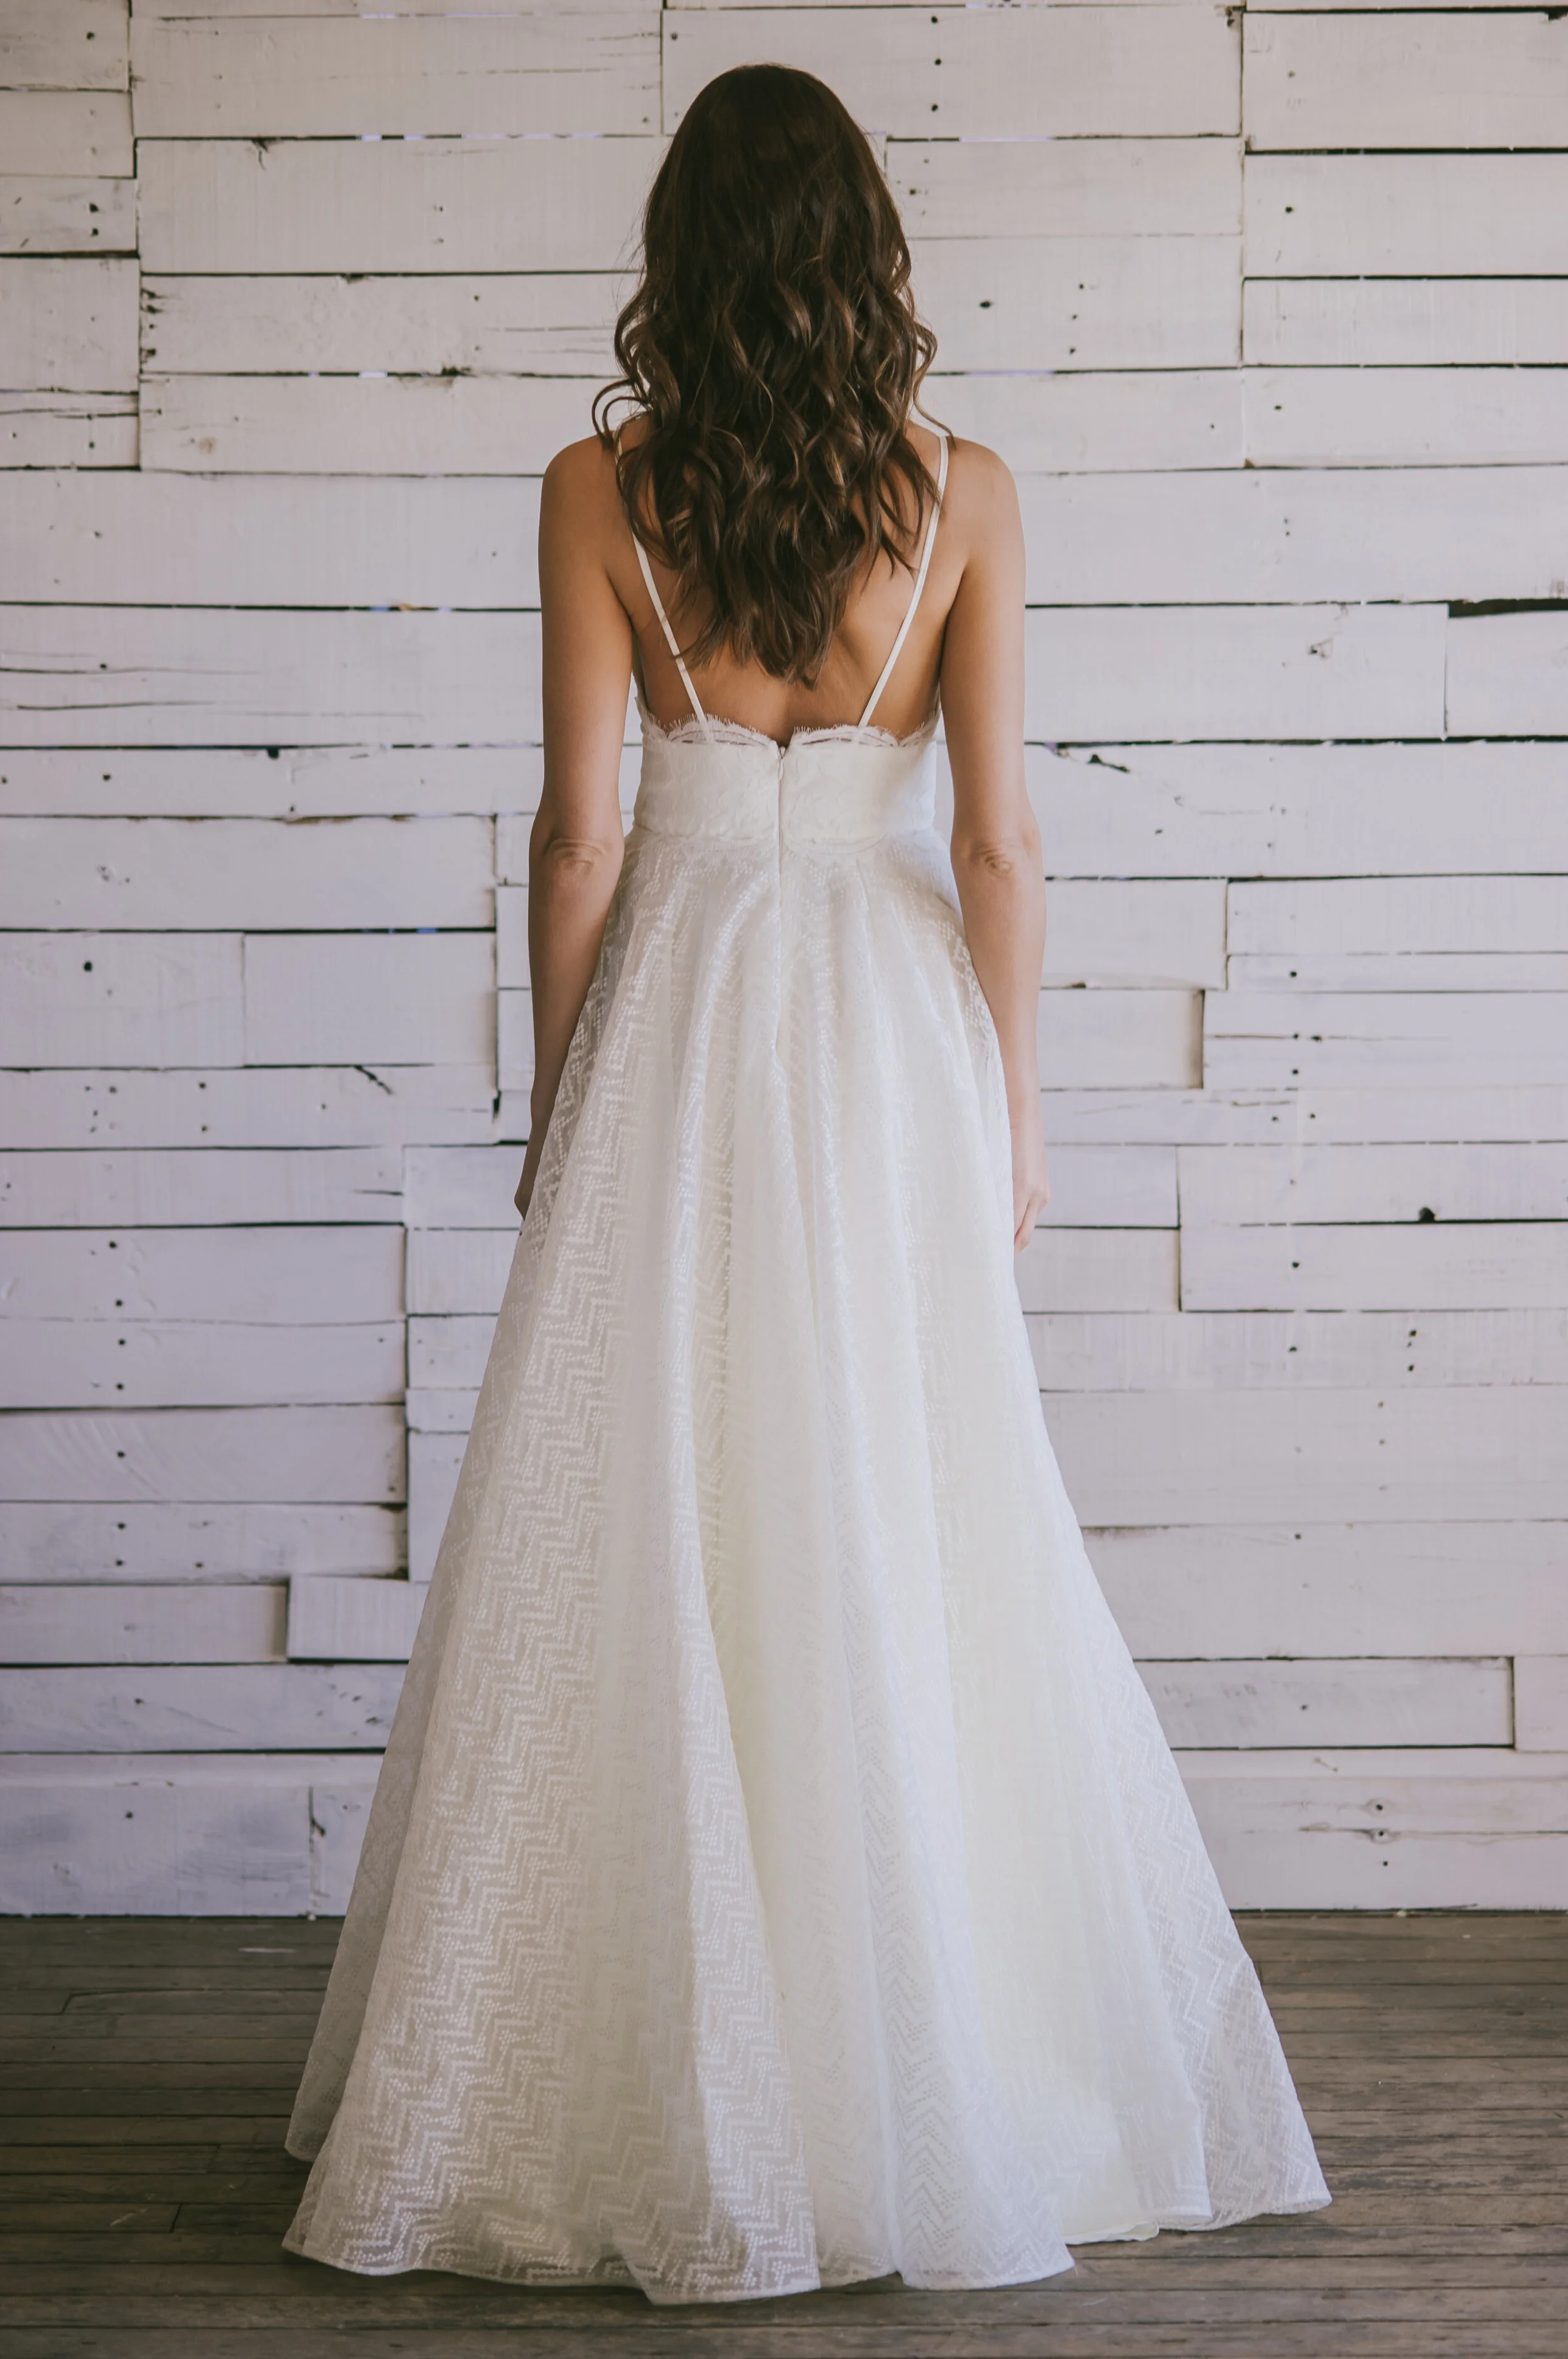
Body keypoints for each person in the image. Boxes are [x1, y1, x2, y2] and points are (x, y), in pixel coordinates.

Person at [283, 63, 1328, 2303]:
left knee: (660, 1498)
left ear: (680, 265)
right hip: (878, 1037)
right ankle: (916, 2059)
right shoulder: (960, 492)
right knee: (897, 1495)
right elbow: (995, 839)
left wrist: (561, 1109)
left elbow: (577, 838)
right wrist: (1021, 1111)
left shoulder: (595, 487)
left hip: (676, 1016)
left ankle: (658, 2075)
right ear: (863, 265)